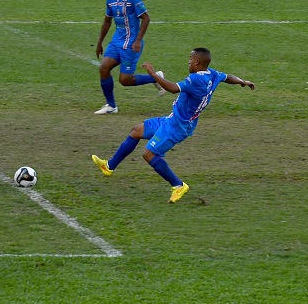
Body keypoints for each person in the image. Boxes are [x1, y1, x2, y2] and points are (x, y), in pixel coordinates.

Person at [91, 48, 255, 203]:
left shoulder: (196, 79)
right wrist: (243, 81)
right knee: (136, 131)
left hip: (178, 126)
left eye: (190, 59)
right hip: (173, 120)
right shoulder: (212, 74)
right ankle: (109, 166)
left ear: (197, 62)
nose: (188, 62)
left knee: (149, 154)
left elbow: (173, 89)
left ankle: (178, 185)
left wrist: (153, 74)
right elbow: (228, 77)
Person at [94, 0, 162, 115]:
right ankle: (111, 106)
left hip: (130, 44)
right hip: (116, 42)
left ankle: (155, 77)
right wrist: (100, 42)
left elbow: (146, 18)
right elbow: (107, 21)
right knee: (103, 68)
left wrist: (138, 40)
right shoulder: (110, 0)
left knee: (125, 80)